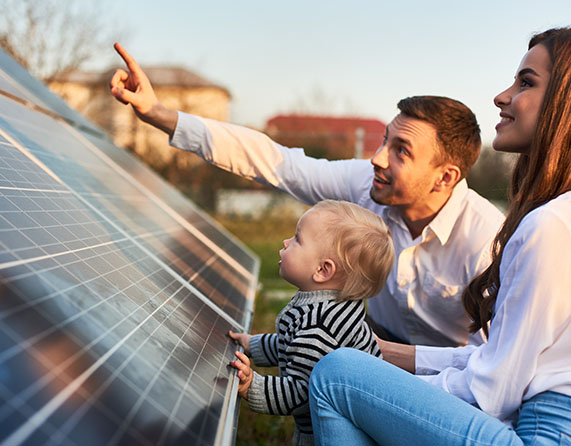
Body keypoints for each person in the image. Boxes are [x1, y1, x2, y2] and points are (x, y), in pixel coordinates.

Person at [110, 44, 505, 348]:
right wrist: (159, 114)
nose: (377, 157)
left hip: (449, 380)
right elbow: (275, 162)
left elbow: (490, 366)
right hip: (376, 342)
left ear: (444, 177)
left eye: (401, 150)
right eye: (386, 140)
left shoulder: (487, 240)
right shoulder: (368, 184)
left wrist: (379, 358)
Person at [308, 27, 571, 445]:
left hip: (540, 435)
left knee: (336, 375)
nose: (502, 96)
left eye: (526, 82)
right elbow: (499, 360)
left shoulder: (547, 226)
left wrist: (386, 390)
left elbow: (494, 392)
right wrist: (387, 357)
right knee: (355, 372)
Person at [227, 199, 394, 445]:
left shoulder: (320, 327)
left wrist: (253, 386)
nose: (286, 242)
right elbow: (293, 346)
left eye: (297, 240)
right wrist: (254, 345)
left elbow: (302, 392)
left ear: (323, 271)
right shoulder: (325, 304)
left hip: (332, 432)